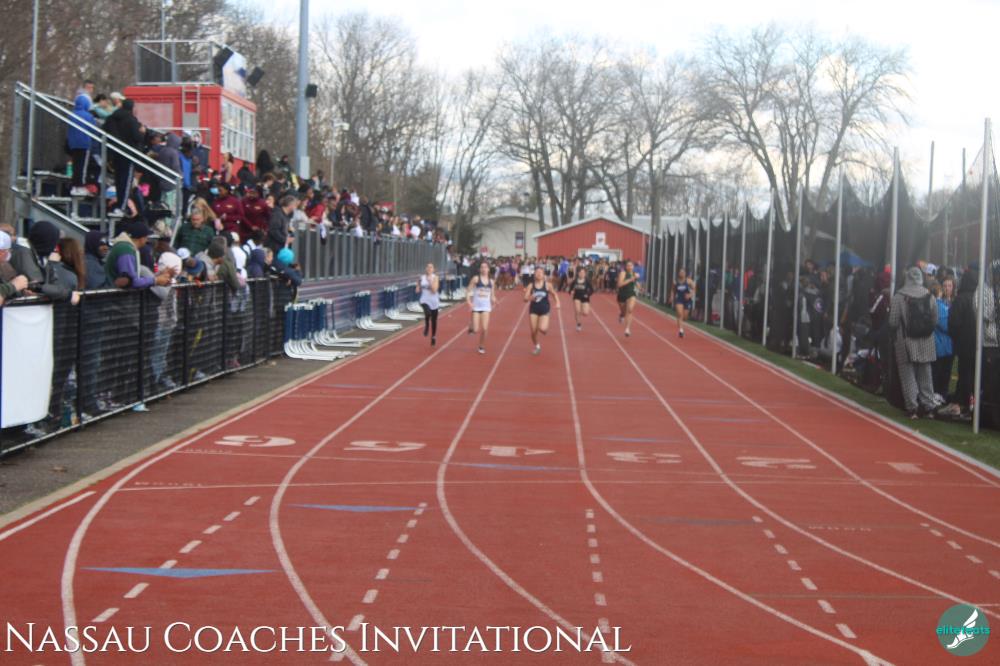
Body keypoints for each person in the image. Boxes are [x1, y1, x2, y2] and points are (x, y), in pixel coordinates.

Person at [889, 267, 938, 419]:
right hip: (926, 340)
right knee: (925, 374)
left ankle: (912, 408)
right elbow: (934, 319)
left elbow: (893, 321)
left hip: (905, 341)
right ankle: (929, 406)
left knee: (907, 375)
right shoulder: (929, 295)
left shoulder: (899, 296)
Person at [948, 269, 977, 416]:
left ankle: (963, 403)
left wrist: (956, 338)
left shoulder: (960, 299)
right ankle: (970, 402)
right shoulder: (980, 298)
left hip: (964, 343)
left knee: (965, 373)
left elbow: (953, 323)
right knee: (975, 374)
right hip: (979, 343)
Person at [524, 265, 559, 355]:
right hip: (534, 309)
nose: (539, 274)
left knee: (542, 329)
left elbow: (554, 294)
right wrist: (530, 298)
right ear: (534, 274)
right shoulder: (531, 285)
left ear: (543, 275)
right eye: (537, 272)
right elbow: (525, 298)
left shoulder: (547, 285)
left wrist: (558, 303)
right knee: (533, 331)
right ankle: (537, 346)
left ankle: (544, 327)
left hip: (544, 309)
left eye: (541, 272)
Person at [68, 92, 97, 197]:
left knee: (76, 165)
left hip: (73, 144)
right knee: (83, 166)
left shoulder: (72, 114)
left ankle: (74, 186)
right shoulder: (88, 116)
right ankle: (80, 185)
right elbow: (93, 130)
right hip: (84, 143)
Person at [931, 278, 954, 403]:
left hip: (948, 344)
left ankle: (942, 394)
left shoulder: (953, 302)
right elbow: (944, 324)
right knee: (938, 371)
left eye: (949, 285)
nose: (946, 288)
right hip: (941, 343)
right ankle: (936, 394)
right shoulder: (939, 304)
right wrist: (955, 327)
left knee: (946, 372)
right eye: (944, 285)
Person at [466, 261, 497, 355]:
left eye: (485, 267)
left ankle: (481, 346)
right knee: (476, 330)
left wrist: (495, 300)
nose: (484, 269)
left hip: (486, 307)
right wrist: (469, 302)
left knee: (484, 328)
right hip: (476, 307)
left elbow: (492, 295)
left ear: (488, 269)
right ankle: (471, 325)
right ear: (480, 269)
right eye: (482, 267)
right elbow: (468, 291)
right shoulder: (476, 279)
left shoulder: (491, 282)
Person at [417, 262, 441, 346]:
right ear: (426, 269)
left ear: (433, 269)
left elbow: (434, 290)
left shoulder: (435, 278)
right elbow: (418, 285)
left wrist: (430, 282)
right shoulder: (422, 277)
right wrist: (418, 287)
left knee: (434, 320)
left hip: (434, 301)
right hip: (424, 300)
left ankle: (433, 336)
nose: (429, 269)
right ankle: (427, 325)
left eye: (431, 267)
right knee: (428, 313)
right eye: (428, 267)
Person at [616, 259, 640, 337]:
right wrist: (631, 279)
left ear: (633, 266)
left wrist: (639, 287)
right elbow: (619, 284)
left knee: (630, 310)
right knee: (624, 312)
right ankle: (621, 314)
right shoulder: (623, 273)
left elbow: (637, 283)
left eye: (631, 265)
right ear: (625, 267)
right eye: (628, 265)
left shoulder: (635, 274)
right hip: (622, 295)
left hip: (631, 294)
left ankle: (627, 329)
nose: (629, 267)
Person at [670, 268, 695, 338]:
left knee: (685, 317)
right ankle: (681, 330)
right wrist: (671, 297)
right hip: (679, 299)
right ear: (678, 274)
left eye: (683, 272)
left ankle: (680, 320)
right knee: (680, 314)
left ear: (685, 274)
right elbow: (672, 290)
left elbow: (694, 289)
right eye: (680, 272)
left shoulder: (689, 281)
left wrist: (690, 295)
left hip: (687, 300)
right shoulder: (675, 282)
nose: (681, 274)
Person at [571, 263, 594, 331]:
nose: (582, 274)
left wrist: (588, 294)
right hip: (576, 297)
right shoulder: (575, 281)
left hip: (585, 298)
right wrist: (571, 291)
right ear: (578, 273)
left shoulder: (587, 281)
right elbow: (570, 288)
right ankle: (578, 324)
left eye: (583, 273)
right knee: (577, 311)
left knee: (585, 313)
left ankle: (580, 311)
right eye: (581, 273)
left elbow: (592, 290)